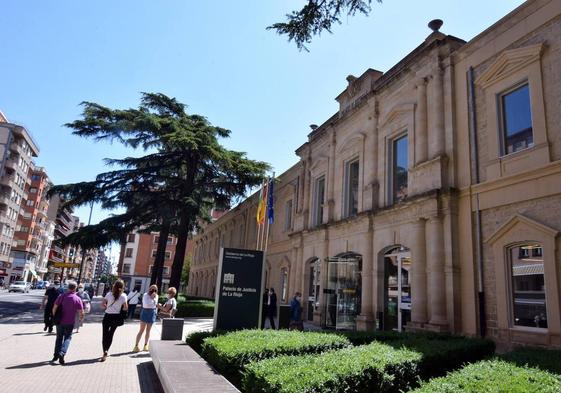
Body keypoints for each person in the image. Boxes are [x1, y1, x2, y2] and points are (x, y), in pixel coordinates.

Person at [51, 281, 84, 365]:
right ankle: (62, 353)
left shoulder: (62, 296)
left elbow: (55, 307)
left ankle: (55, 355)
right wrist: (80, 319)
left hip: (59, 321)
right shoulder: (77, 299)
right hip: (70, 322)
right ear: (75, 288)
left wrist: (54, 316)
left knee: (59, 338)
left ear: (68, 287)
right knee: (67, 338)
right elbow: (81, 312)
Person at [101, 279, 128, 361]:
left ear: (114, 286)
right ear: (122, 287)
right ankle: (107, 350)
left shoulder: (109, 294)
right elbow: (125, 307)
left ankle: (104, 351)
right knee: (111, 334)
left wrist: (107, 307)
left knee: (105, 334)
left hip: (107, 316)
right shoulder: (123, 296)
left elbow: (102, 304)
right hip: (116, 317)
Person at [133, 284, 158, 353]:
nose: (153, 291)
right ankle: (136, 345)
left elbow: (155, 305)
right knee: (141, 330)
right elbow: (146, 304)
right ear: (149, 289)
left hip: (152, 313)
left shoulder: (156, 296)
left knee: (148, 331)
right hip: (145, 312)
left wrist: (154, 299)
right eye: (152, 289)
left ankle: (145, 345)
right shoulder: (145, 295)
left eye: (155, 290)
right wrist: (152, 298)